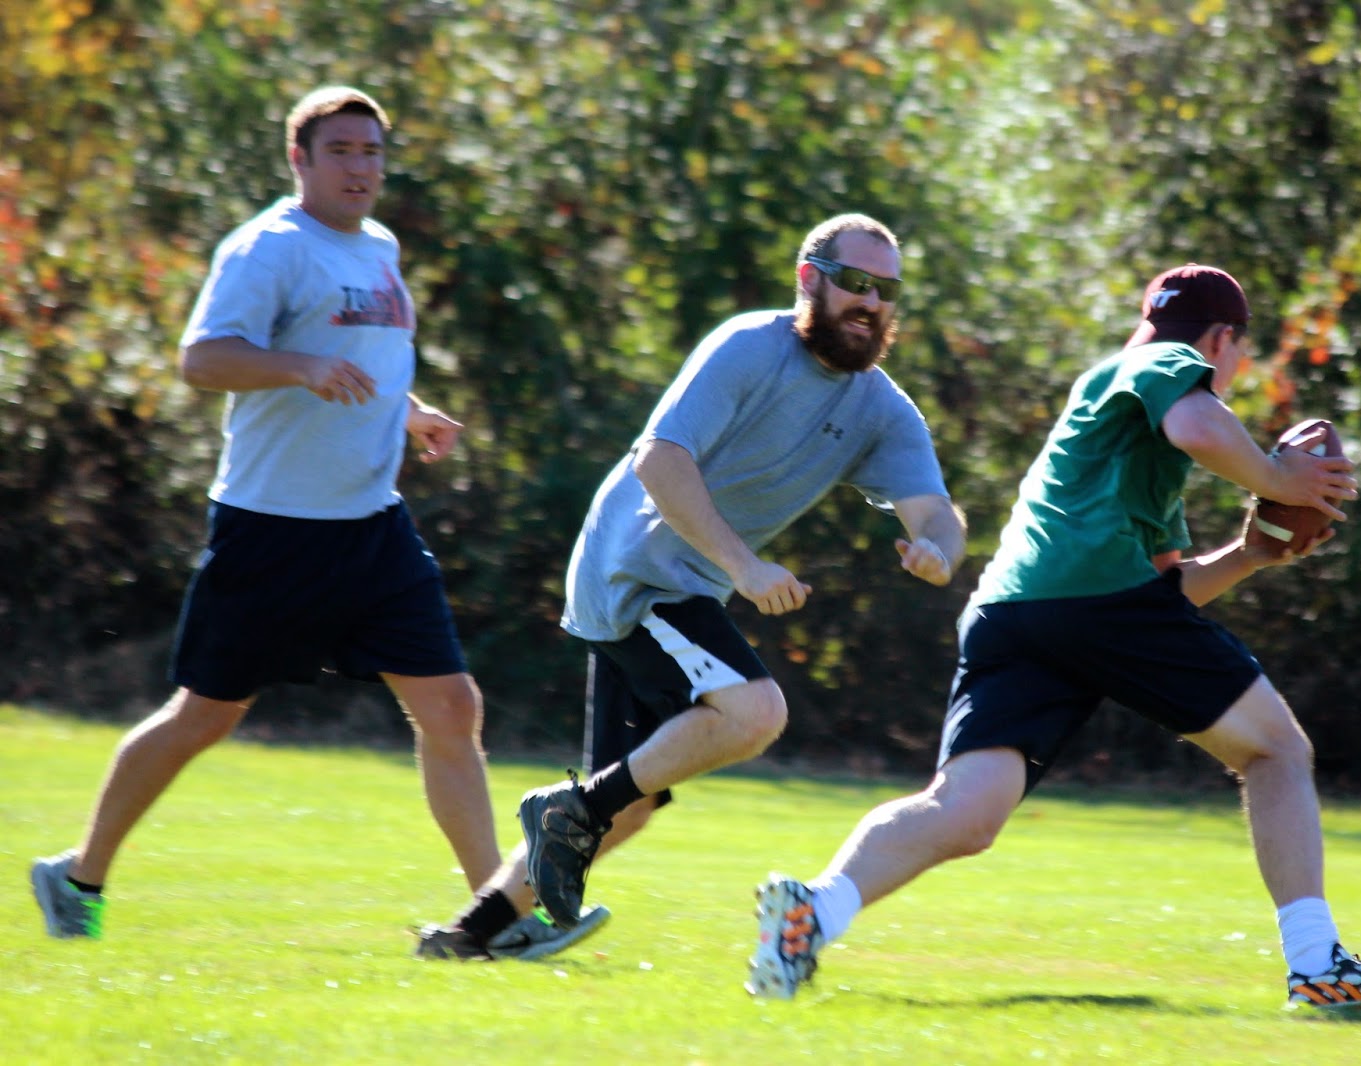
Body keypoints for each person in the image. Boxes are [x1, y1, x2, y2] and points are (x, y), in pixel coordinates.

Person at [747, 263, 1361, 1011]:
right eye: (1237, 350)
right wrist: (1280, 480)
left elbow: (1164, 589)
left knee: (967, 811)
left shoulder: (1125, 416)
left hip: (1014, 612)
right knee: (1277, 750)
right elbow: (1194, 425)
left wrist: (1250, 553)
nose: (1233, 367)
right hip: (1089, 600)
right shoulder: (1168, 365)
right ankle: (1317, 963)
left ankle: (812, 911)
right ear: (1221, 339)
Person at [30, 85, 596, 959]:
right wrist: (298, 367)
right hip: (271, 531)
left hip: (372, 528)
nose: (361, 167)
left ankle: (497, 918)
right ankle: (79, 873)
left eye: (372, 151)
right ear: (300, 160)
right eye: (341, 151)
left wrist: (410, 413)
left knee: (451, 707)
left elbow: (364, 361)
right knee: (203, 718)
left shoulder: (380, 246)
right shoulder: (267, 250)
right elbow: (201, 359)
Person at [413, 212, 967, 959]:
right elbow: (658, 461)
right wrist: (745, 568)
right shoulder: (749, 348)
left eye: (887, 290)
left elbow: (937, 512)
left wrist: (937, 549)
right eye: (855, 283)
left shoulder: (880, 407)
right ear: (810, 280)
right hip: (639, 570)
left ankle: (468, 935)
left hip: (683, 586)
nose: (871, 303)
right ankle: (565, 815)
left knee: (630, 804)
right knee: (755, 710)